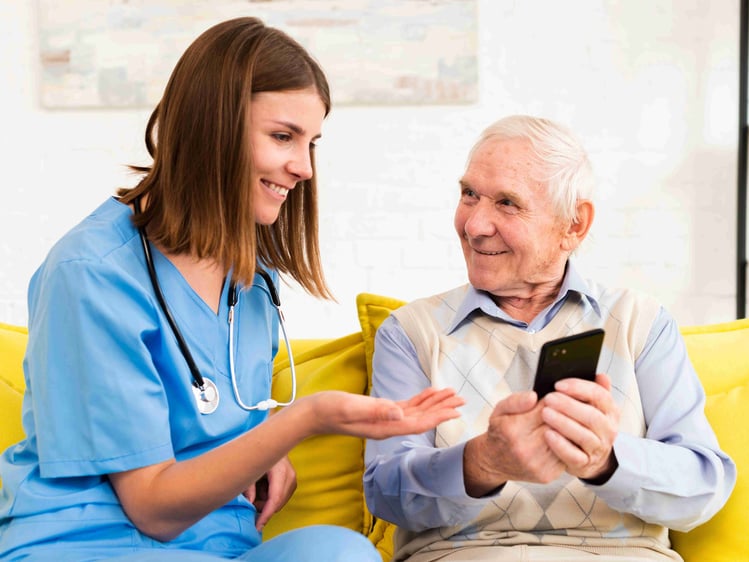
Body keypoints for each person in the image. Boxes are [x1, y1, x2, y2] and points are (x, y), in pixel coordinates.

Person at [0, 17, 464, 562]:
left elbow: (214, 411)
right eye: (283, 136)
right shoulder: (91, 274)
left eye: (311, 142)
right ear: (210, 128)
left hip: (221, 545)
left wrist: (258, 442)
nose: (304, 168)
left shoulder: (250, 284)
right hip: (93, 545)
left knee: (344, 551)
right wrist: (301, 422)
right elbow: (151, 506)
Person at [363, 115, 736, 562]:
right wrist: (482, 463)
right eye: (469, 195)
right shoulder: (411, 333)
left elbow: (703, 485)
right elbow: (385, 491)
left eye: (507, 203)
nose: (475, 225)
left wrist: (606, 460)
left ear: (574, 225)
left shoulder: (641, 323)